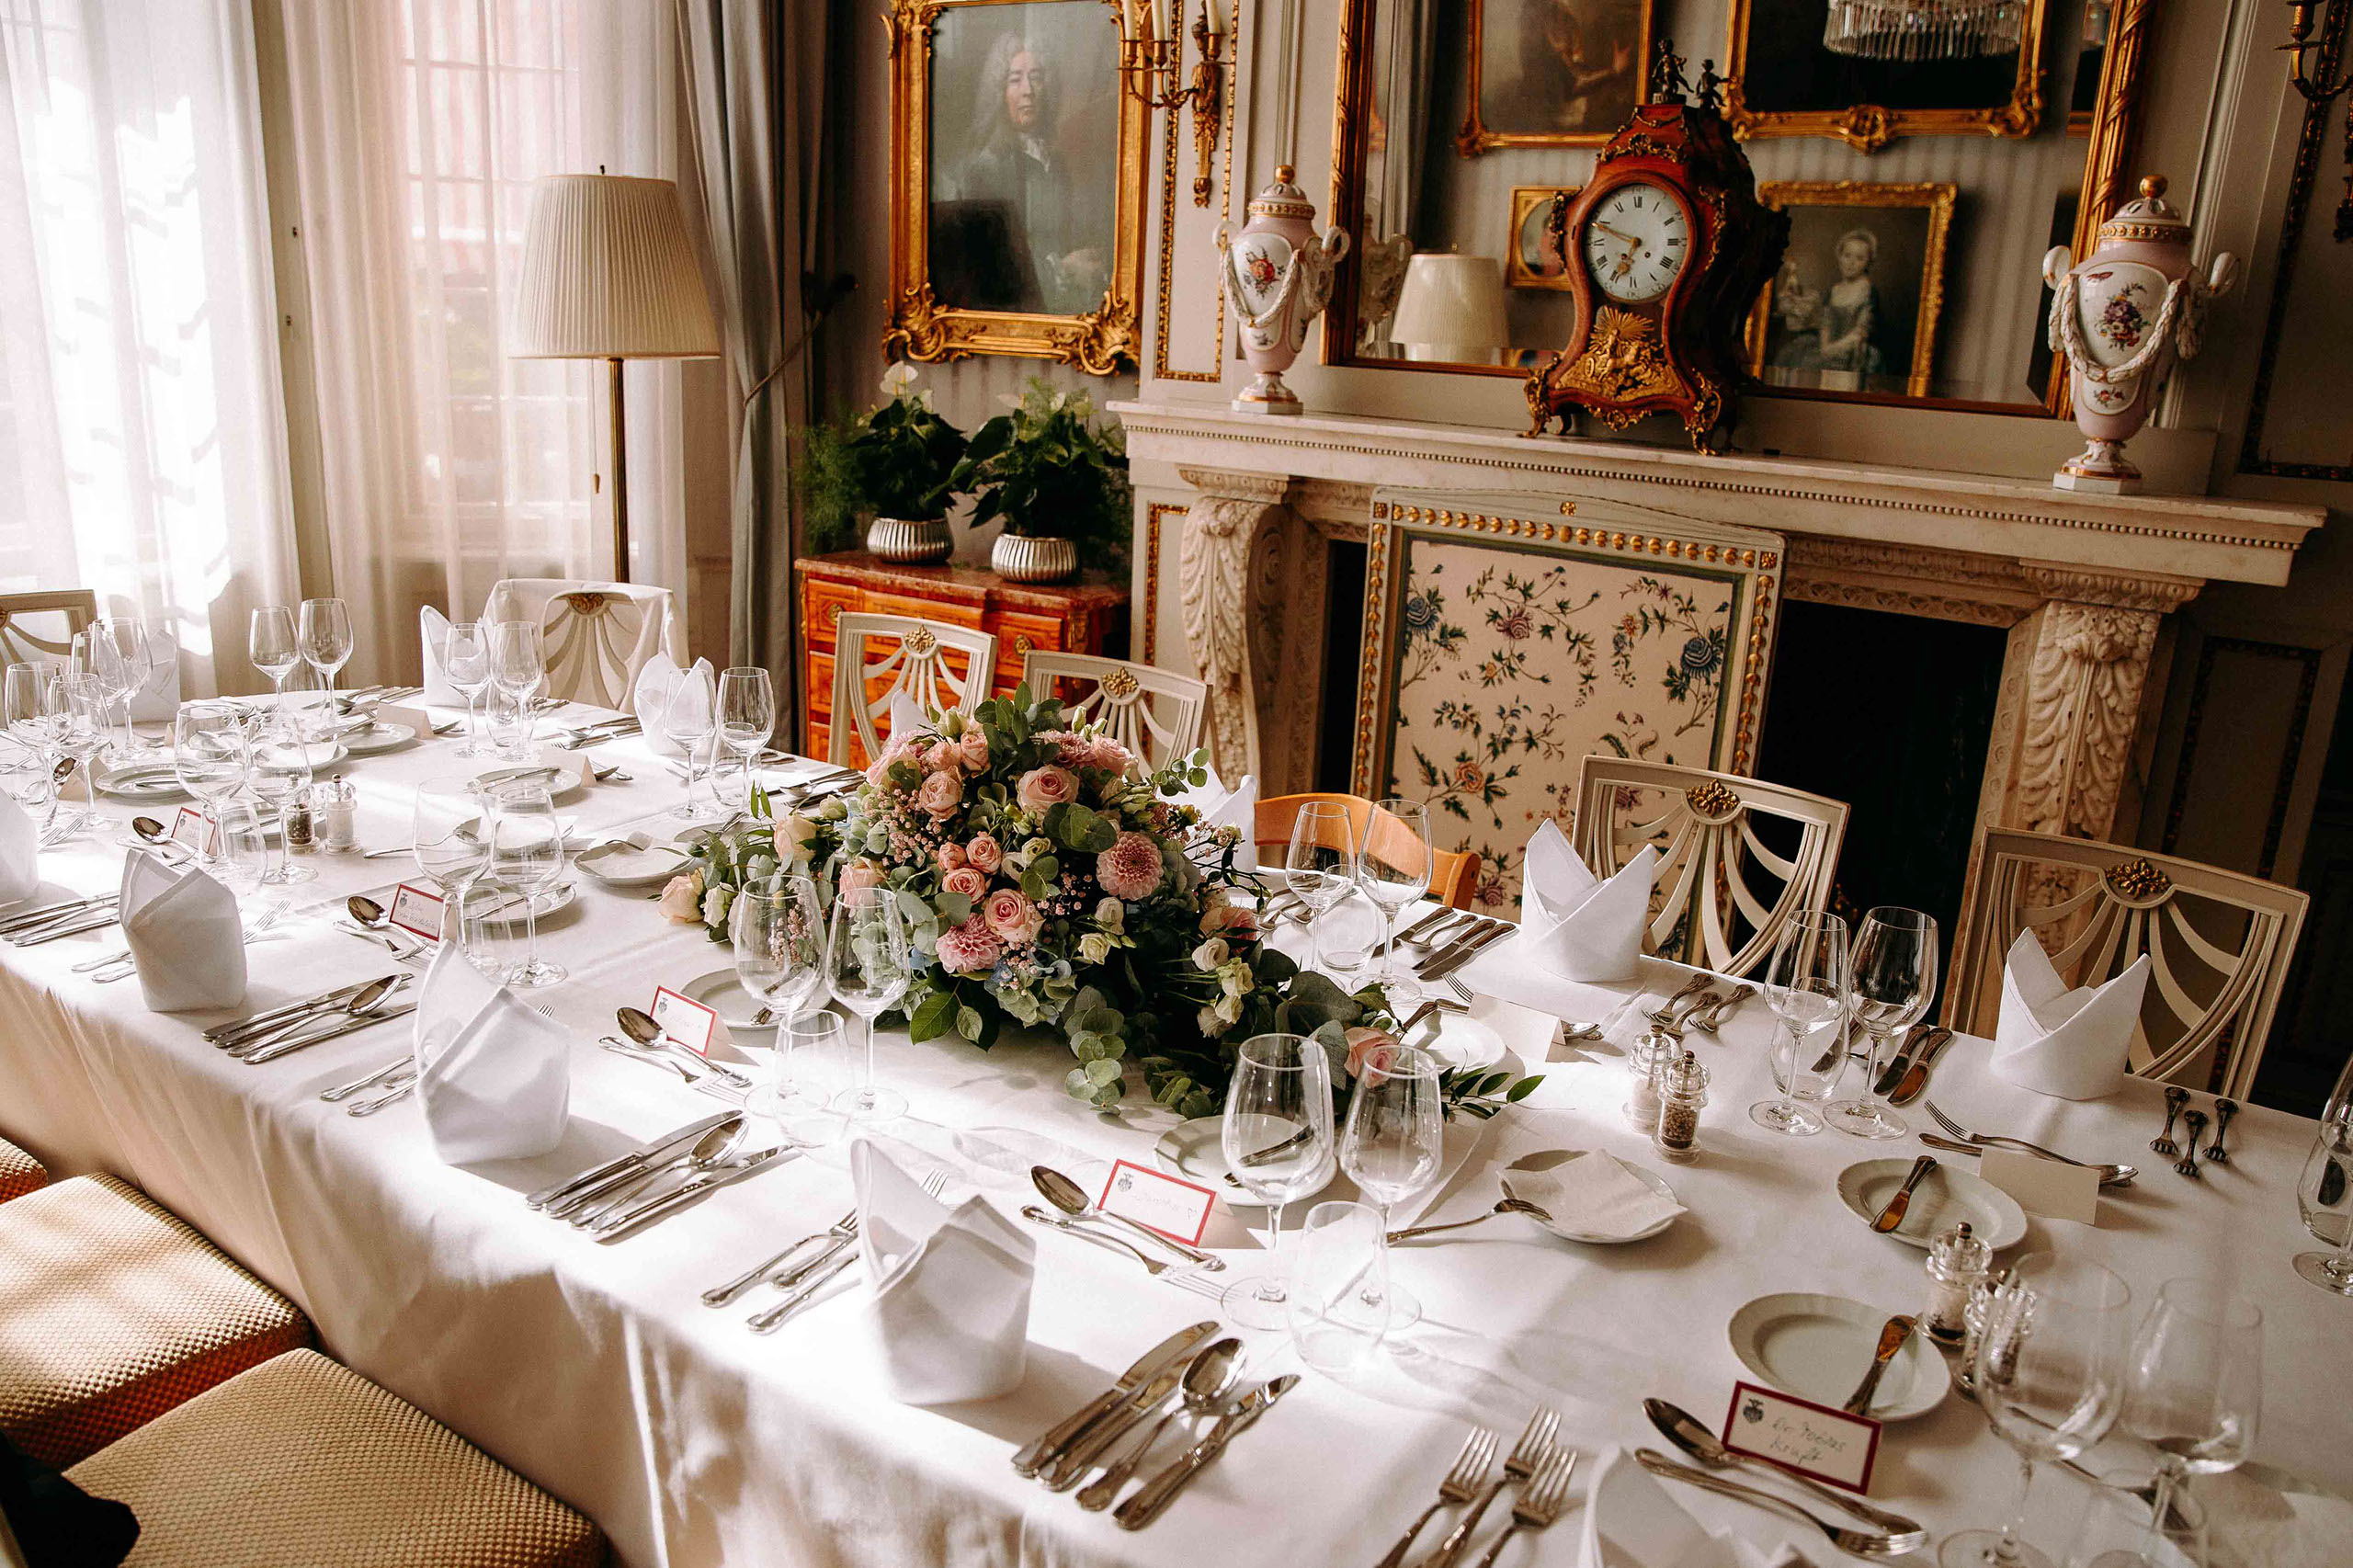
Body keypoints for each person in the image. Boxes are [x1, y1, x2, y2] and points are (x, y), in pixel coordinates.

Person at [939, 32, 1108, 316]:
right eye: (1015, 79)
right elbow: (987, 270)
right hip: (1016, 313)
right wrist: (1064, 269)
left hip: (1060, 310)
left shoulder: (1055, 163)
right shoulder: (985, 168)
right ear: (1000, 92)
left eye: (1037, 77)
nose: (1028, 90)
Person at [1502, 0, 1643, 135]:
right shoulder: (1546, 39)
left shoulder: (1553, 19)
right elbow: (1574, 85)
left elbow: (1575, 65)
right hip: (1558, 123)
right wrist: (1613, 71)